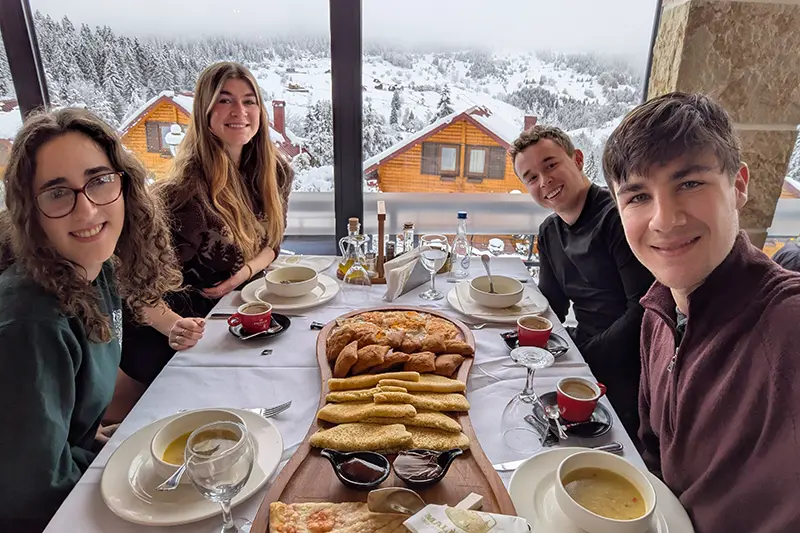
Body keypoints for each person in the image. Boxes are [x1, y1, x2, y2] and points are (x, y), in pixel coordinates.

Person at [603, 92, 800, 533]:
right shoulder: (658, 311)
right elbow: (654, 458)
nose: (665, 219)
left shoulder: (787, 324)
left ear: (739, 186)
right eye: (637, 196)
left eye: (689, 184)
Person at [0, 108, 182, 531]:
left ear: (124, 186)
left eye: (99, 180)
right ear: (31, 210)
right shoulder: (30, 325)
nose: (86, 212)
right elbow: (31, 489)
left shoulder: (96, 271)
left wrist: (88, 444)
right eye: (57, 192)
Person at [119, 61, 294, 397]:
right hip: (180, 335)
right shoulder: (177, 194)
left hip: (239, 313)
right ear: (204, 111)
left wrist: (241, 274)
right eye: (225, 100)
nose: (239, 111)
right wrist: (173, 326)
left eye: (249, 100)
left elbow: (273, 245)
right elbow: (133, 286)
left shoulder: (276, 173)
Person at [510, 125, 654, 438]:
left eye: (550, 165)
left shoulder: (617, 219)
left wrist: (583, 355)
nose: (544, 181)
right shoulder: (550, 231)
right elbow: (552, 307)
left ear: (577, 159)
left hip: (631, 365)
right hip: (585, 348)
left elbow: (644, 309)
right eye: (531, 177)